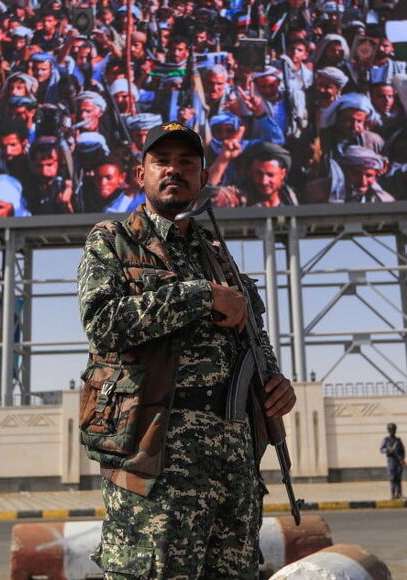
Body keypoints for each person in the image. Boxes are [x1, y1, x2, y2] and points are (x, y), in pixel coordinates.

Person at [77, 120, 296, 577]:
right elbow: (103, 324)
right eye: (162, 161)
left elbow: (253, 336)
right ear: (141, 174)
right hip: (156, 456)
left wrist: (275, 382)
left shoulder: (216, 253)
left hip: (232, 460)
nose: (173, 170)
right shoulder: (114, 239)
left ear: (202, 177)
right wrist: (202, 295)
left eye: (186, 163)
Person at [380, 423, 407, 500]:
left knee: (398, 478)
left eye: (394, 429)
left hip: (398, 461)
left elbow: (402, 450)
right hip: (391, 461)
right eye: (391, 429)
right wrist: (388, 450)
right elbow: (381, 449)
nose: (393, 431)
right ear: (388, 430)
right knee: (392, 477)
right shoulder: (386, 440)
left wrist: (402, 458)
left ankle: (399, 494)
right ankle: (392, 494)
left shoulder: (398, 440)